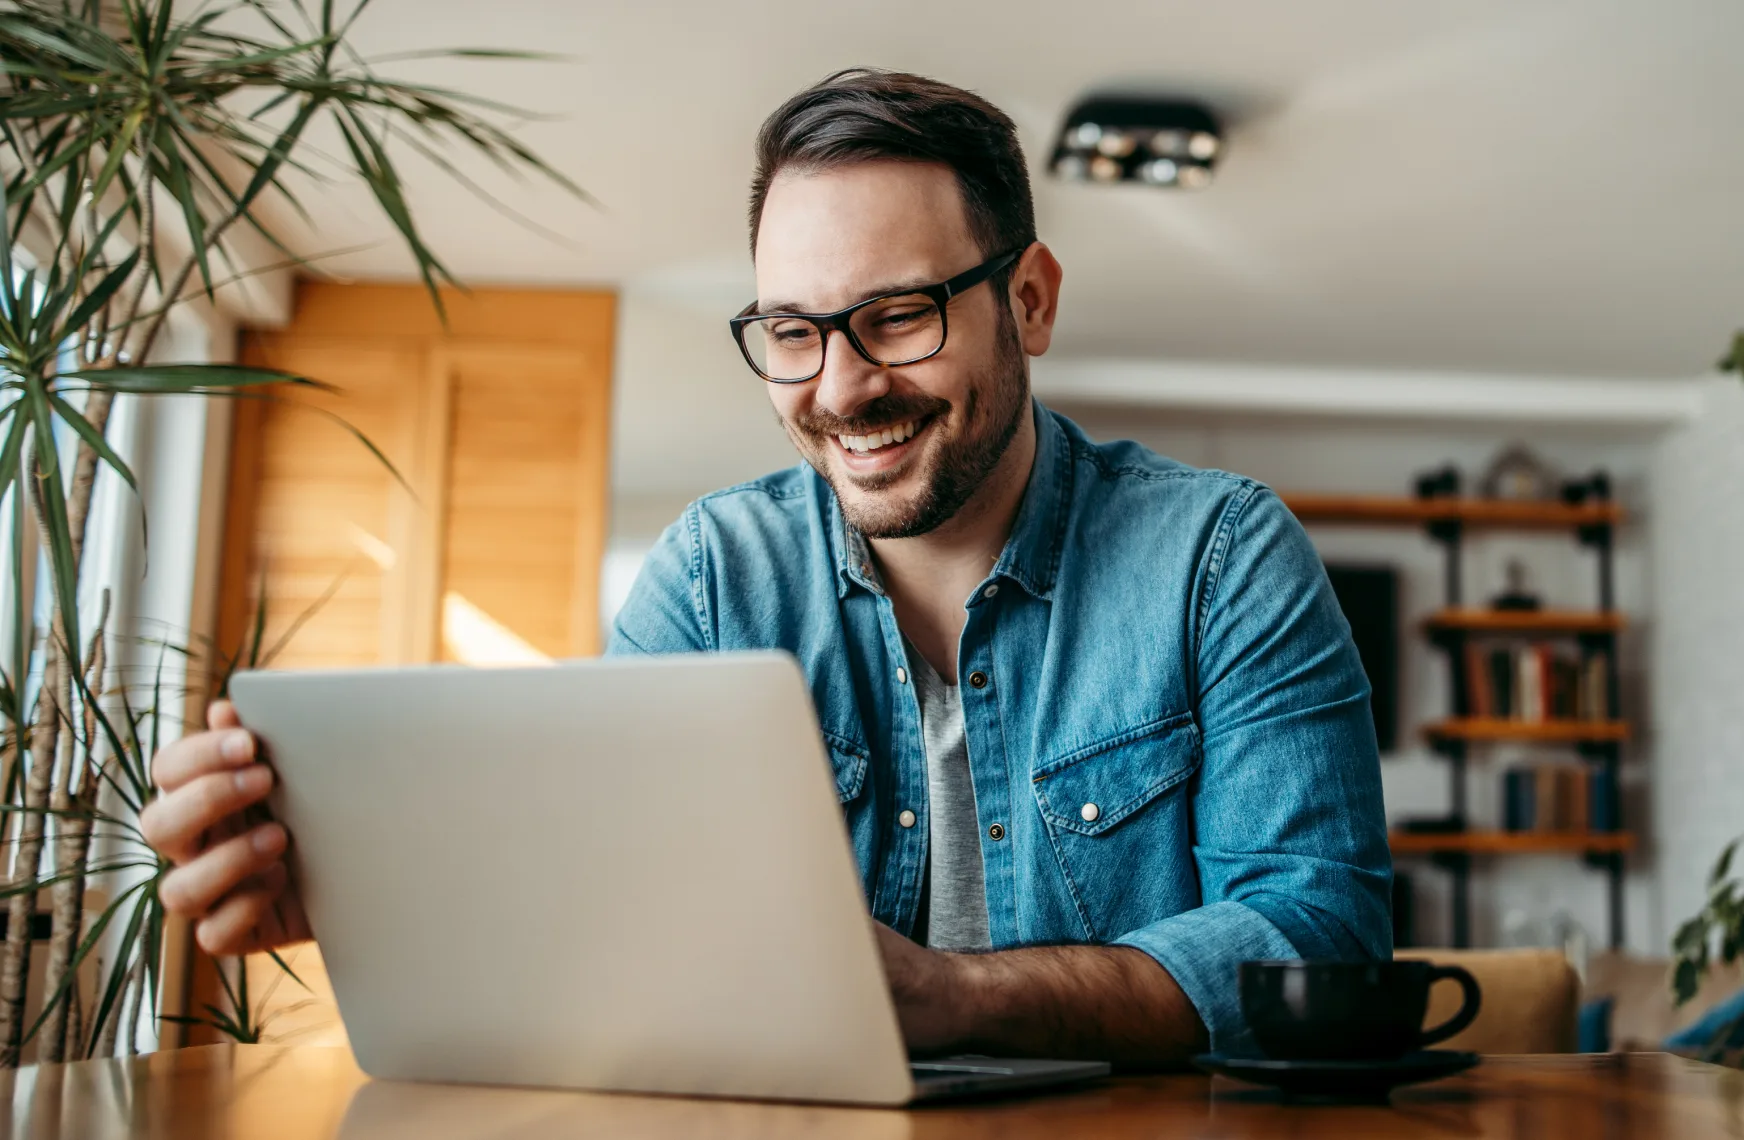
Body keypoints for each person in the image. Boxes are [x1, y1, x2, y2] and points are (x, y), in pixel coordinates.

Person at [141, 69, 1391, 1067]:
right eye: (793, 332)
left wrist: (955, 999)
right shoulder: (710, 579)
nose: (842, 389)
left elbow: (1318, 941)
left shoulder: (1221, 557)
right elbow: (603, 902)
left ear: (1030, 302)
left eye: (898, 315)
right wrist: (366, 898)